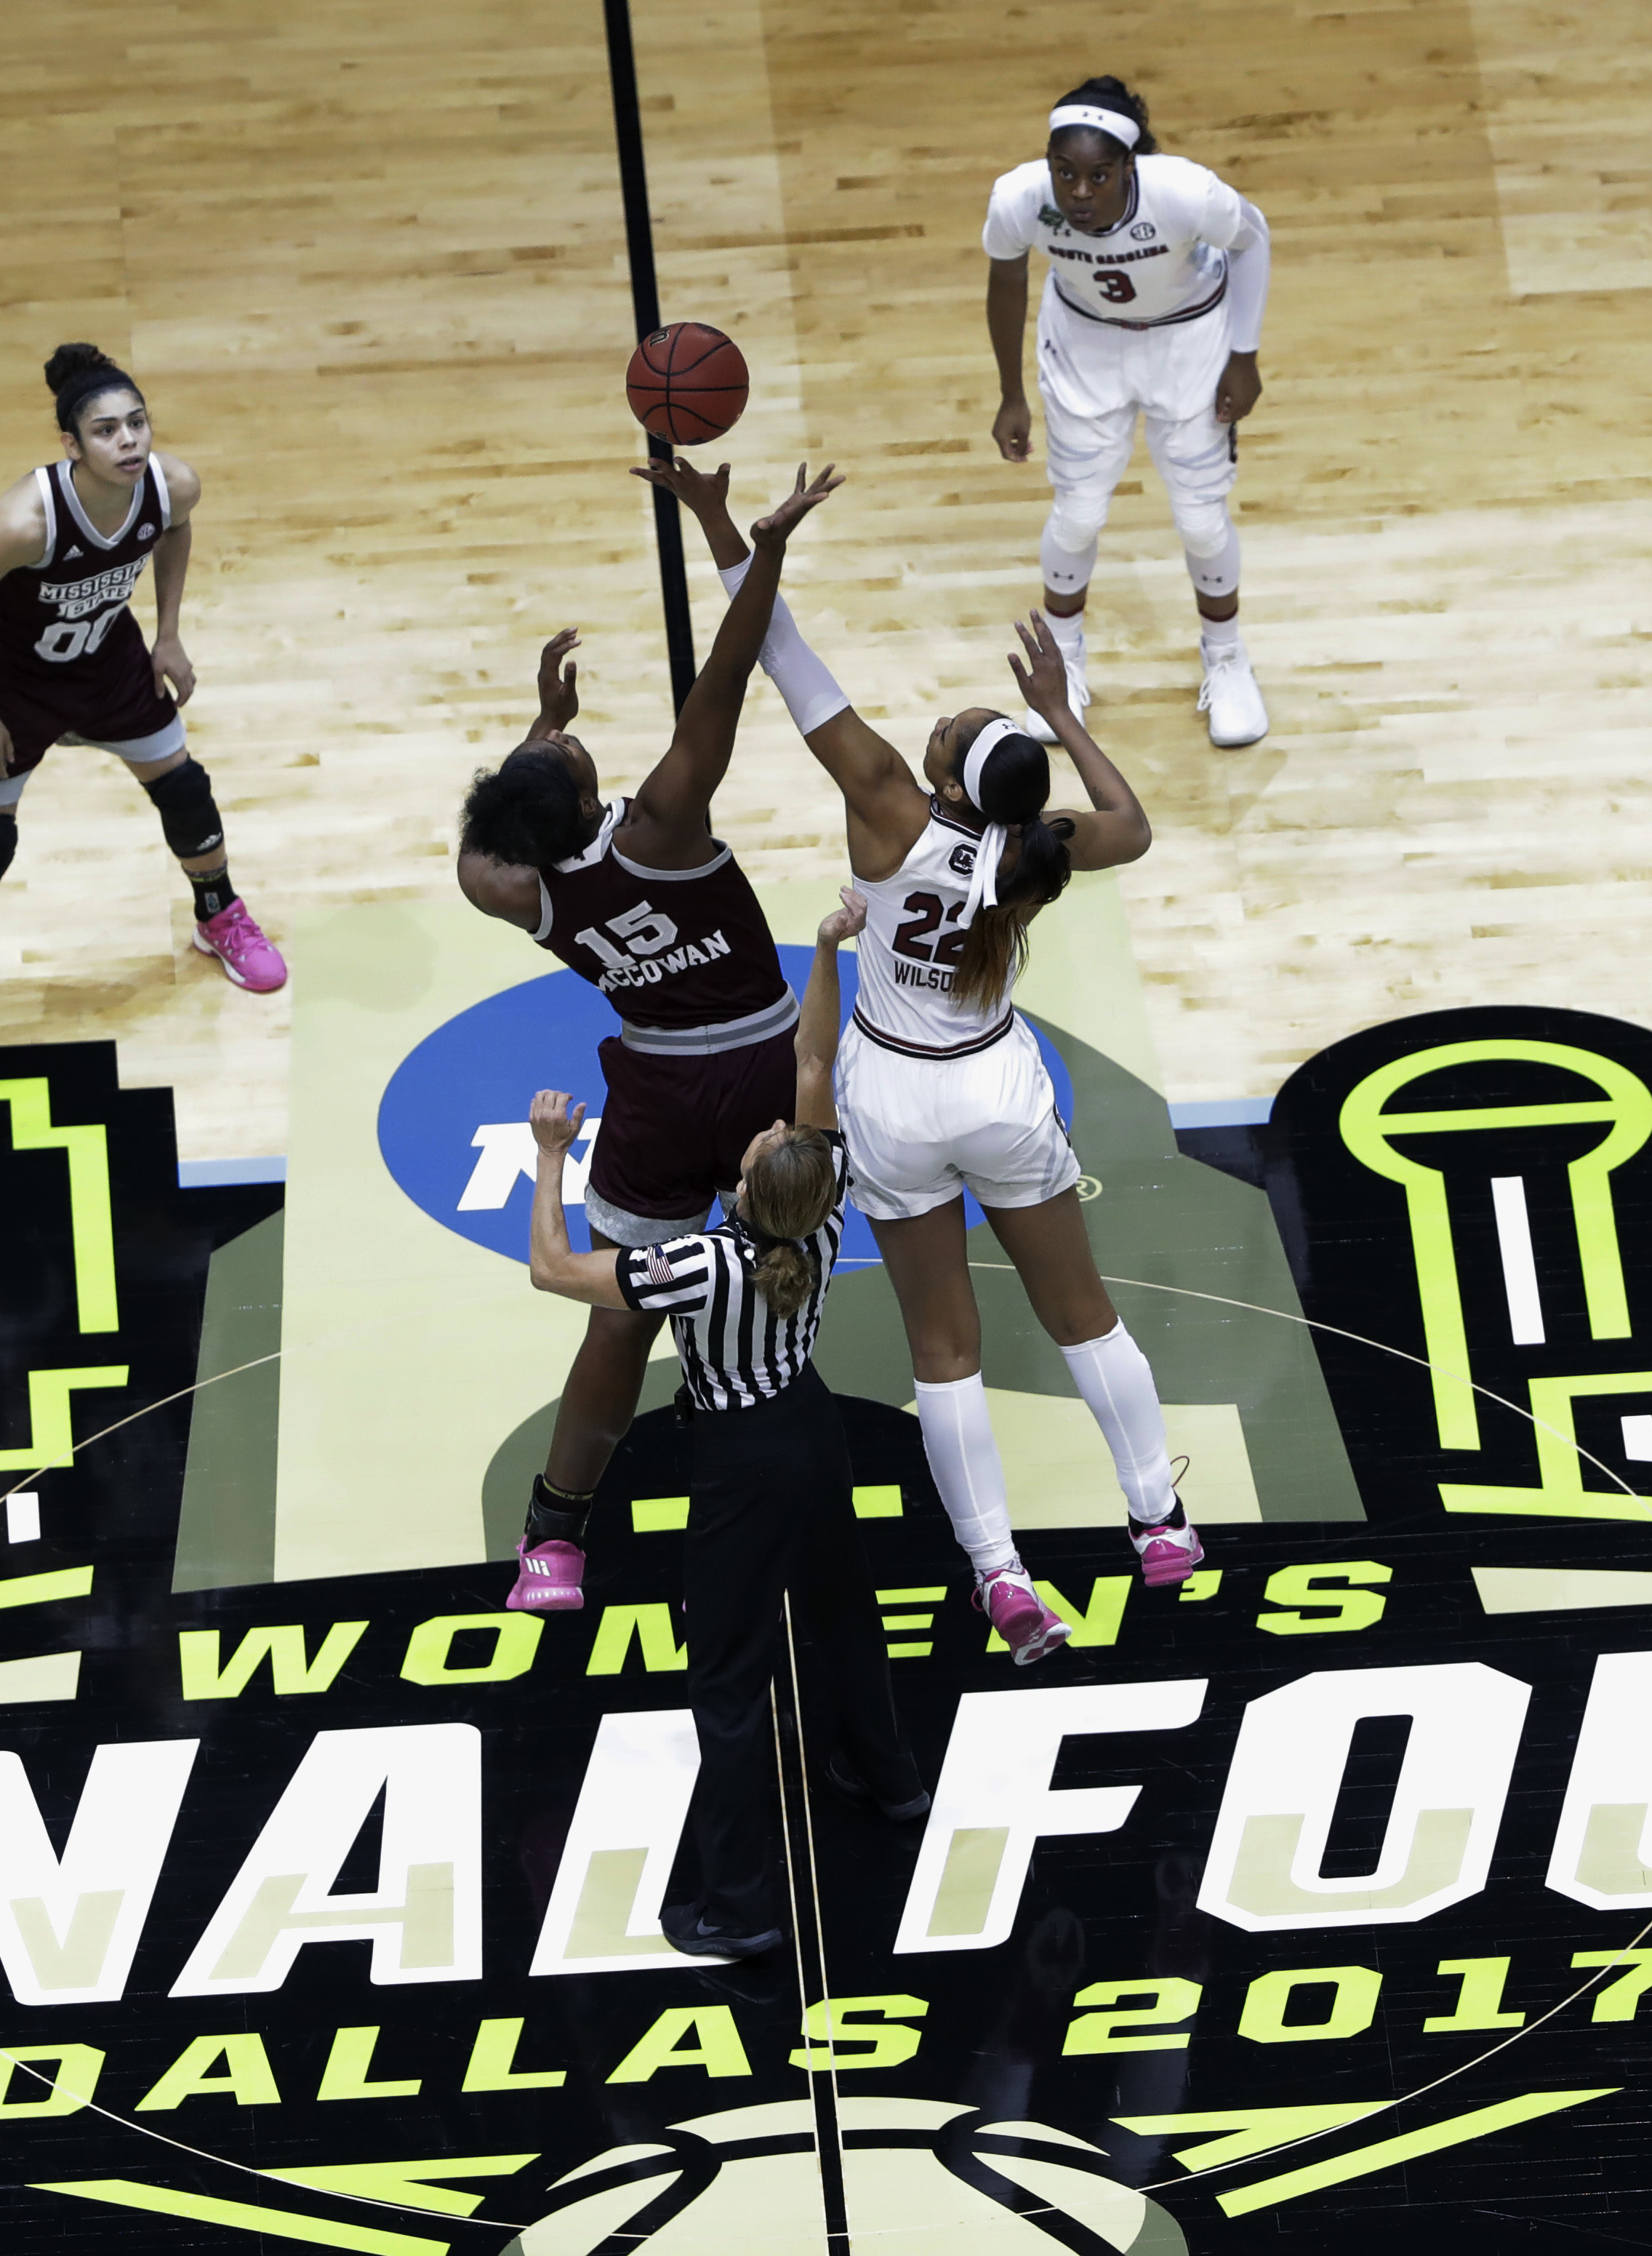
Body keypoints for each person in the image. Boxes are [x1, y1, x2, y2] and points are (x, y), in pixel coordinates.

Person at [662, 479, 1188, 1664]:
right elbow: (1136, 823)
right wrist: (1063, 711)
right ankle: (1156, 1522)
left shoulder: (889, 810)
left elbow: (785, 661)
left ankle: (999, 1573)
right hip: (996, 1085)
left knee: (943, 1351)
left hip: (895, 1099)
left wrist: (726, 528)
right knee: (1081, 1315)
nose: (939, 720)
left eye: (950, 727)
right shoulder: (1042, 848)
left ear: (945, 775)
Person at [457, 461, 845, 1612]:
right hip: (766, 1075)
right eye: (563, 760)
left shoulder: (515, 892)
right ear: (579, 802)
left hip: (656, 1094)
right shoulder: (663, 825)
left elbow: (483, 845)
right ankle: (775, 1452)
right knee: (780, 1270)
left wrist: (540, 727)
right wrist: (756, 543)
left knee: (621, 1320)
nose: (570, 749)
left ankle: (553, 1541)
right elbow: (727, 677)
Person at [519, 895, 928, 1959]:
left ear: (745, 1189)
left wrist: (553, 1153)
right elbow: (813, 1061)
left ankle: (741, 1905)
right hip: (812, 1423)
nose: (756, 1133)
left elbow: (555, 1271)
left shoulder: (703, 1264)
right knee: (845, 1613)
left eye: (753, 1148)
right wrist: (829, 949)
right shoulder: (825, 1204)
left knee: (729, 1684)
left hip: (742, 1460)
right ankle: (889, 1781)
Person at [0, 343, 285, 1106]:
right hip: (7, 686)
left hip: (105, 662)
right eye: (106, 431)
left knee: (184, 788)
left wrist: (167, 632)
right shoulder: (23, 523)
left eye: (138, 424)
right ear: (72, 446)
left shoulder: (172, 486)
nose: (129, 441)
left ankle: (216, 915)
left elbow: (173, 530)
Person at [983, 76, 1275, 750]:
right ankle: (1063, 665)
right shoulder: (1020, 199)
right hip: (1085, 342)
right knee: (1079, 512)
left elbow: (1252, 240)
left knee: (1202, 521)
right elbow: (1006, 276)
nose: (1079, 192)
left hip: (1189, 339)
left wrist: (1245, 355)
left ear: (1129, 166)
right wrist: (1010, 392)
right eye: (1066, 174)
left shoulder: (1184, 192)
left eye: (1099, 175)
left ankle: (1226, 657)